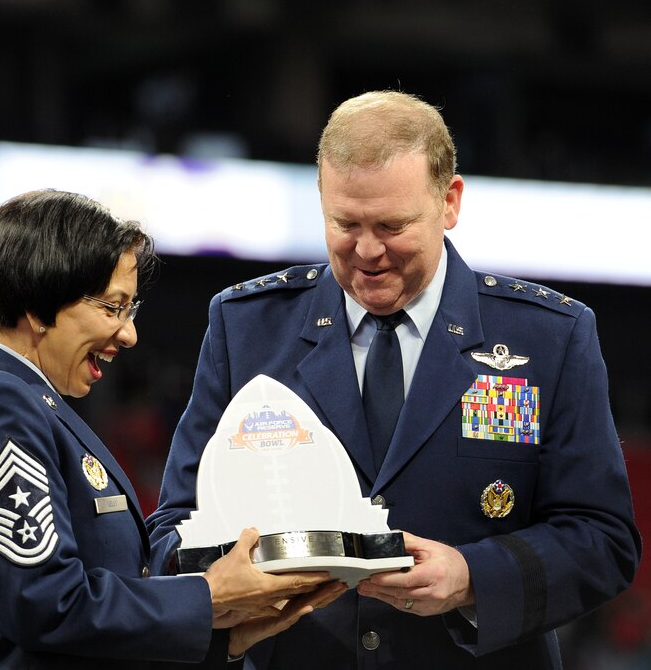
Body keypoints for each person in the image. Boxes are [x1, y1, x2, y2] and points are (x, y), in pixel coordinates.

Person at [148, 91, 641, 669]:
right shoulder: (247, 327)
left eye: (392, 225)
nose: (368, 251)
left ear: (450, 201)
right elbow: (173, 529)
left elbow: (603, 539)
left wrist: (472, 577)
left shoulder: (550, 338)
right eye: (345, 223)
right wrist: (224, 583)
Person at [0, 190, 344, 669]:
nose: (128, 334)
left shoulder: (27, 403)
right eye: (111, 307)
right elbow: (46, 604)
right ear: (38, 309)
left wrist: (226, 640)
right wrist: (207, 595)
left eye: (130, 310)